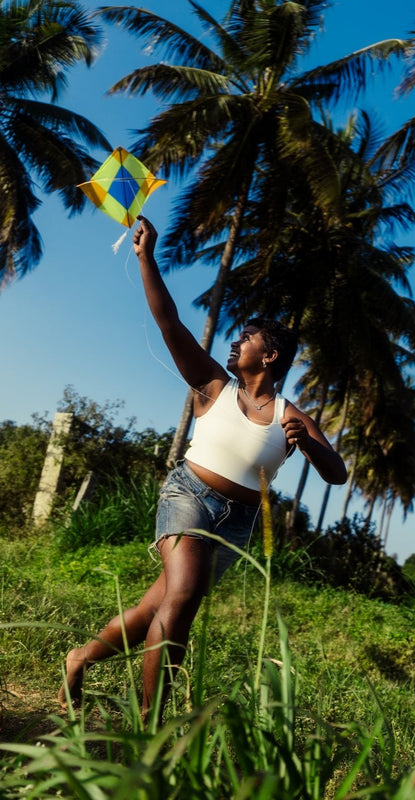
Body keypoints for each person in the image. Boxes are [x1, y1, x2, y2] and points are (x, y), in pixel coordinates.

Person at [58, 215, 347, 721]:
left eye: (248, 338)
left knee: (155, 608)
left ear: (270, 355)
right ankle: (150, 727)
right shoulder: (215, 386)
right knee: (185, 597)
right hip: (188, 495)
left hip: (237, 523)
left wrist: (312, 447)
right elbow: (170, 322)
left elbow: (337, 473)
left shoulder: (291, 416)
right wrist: (147, 258)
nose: (236, 343)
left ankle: (79, 657)